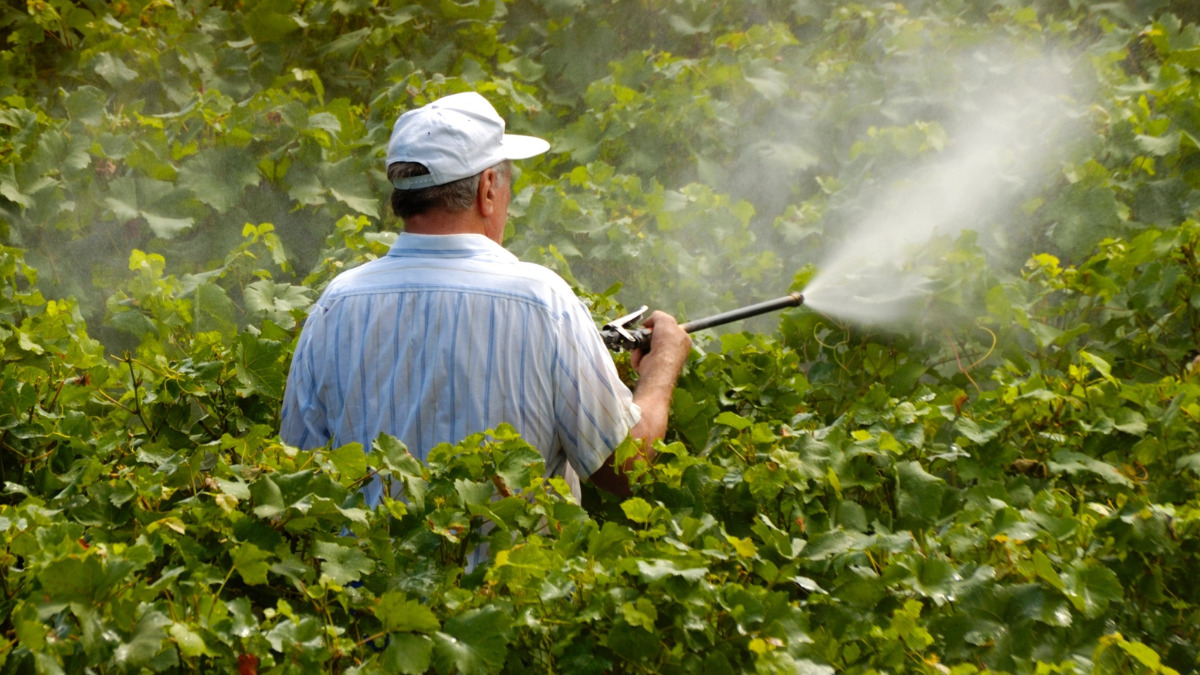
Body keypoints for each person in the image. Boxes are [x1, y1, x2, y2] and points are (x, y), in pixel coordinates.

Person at [279, 91, 691, 509]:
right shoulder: (544, 302)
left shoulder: (336, 304)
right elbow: (624, 470)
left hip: (365, 574)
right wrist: (660, 370)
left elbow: (296, 474)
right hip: (514, 576)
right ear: (487, 189)